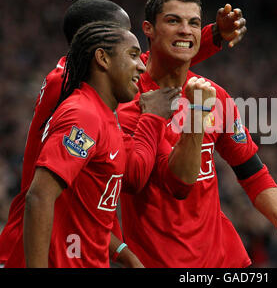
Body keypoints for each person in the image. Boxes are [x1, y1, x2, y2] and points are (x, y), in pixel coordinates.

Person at [0, 0, 246, 267]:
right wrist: (152, 117)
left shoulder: (95, 102)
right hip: (37, 244)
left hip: (72, 242)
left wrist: (212, 36)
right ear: (101, 50)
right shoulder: (69, 88)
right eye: (130, 49)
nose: (141, 61)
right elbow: (41, 195)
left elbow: (153, 65)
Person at [117, 0, 277, 267]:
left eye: (194, 23)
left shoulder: (215, 95)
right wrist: (196, 112)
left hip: (226, 262)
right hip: (160, 262)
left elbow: (252, 172)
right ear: (148, 29)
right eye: (173, 21)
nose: (185, 30)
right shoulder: (127, 100)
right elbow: (179, 184)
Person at [16, 21, 180, 267]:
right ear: (102, 58)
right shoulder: (84, 115)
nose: (141, 67)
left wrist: (127, 255)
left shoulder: (105, 117)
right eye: (133, 55)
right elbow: (39, 196)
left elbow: (86, 211)